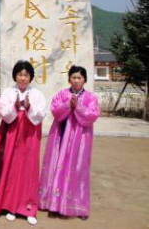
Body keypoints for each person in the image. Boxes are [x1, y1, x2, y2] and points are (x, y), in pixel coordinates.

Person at [0, 60, 46, 225]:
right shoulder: (8, 92)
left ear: (30, 77)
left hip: (30, 134)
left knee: (29, 169)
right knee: (12, 167)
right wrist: (14, 107)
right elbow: (2, 112)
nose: (23, 78)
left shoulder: (37, 94)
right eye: (20, 75)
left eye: (26, 75)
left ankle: (29, 207)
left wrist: (29, 108)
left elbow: (41, 113)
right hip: (12, 133)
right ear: (15, 76)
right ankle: (11, 206)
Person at [39, 65, 99, 220]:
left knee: (78, 169)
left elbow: (93, 115)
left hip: (81, 140)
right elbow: (55, 111)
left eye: (79, 78)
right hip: (60, 136)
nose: (76, 80)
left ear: (84, 79)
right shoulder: (62, 94)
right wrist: (68, 105)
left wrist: (78, 106)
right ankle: (53, 204)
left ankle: (78, 207)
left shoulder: (91, 97)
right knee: (56, 166)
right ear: (69, 79)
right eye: (74, 77)